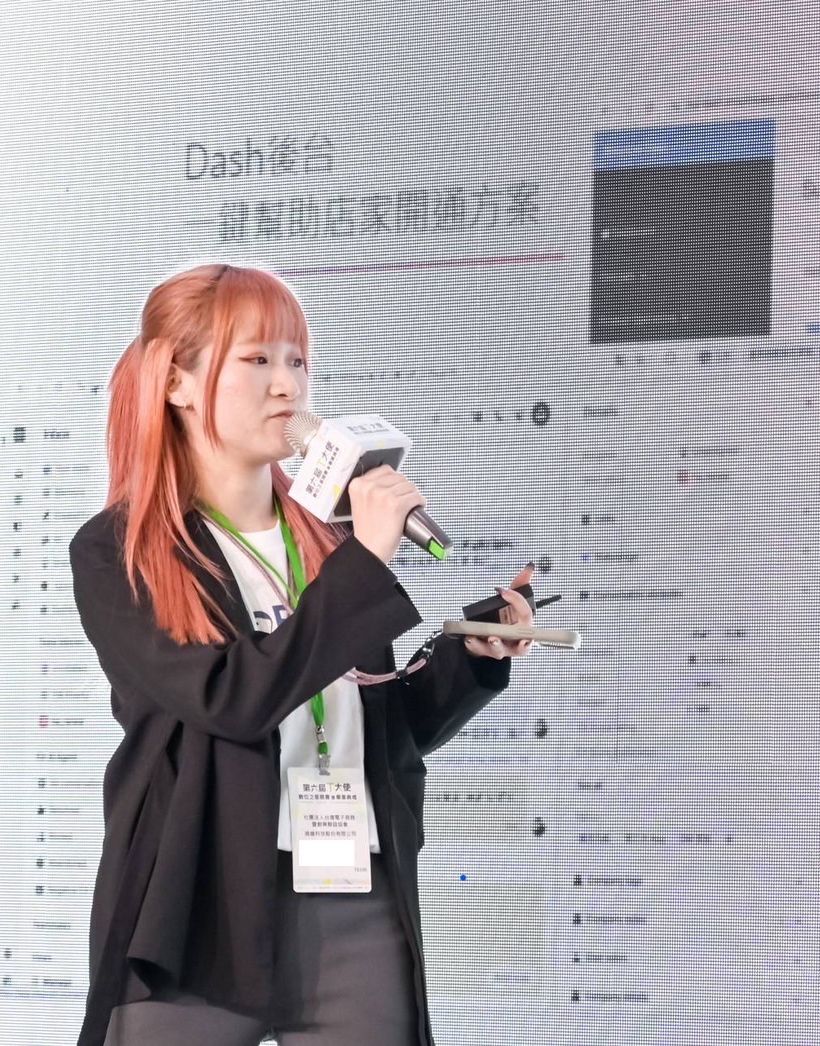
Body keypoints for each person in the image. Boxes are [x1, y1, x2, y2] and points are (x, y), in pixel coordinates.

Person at [69, 262, 533, 1046]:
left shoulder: (326, 541)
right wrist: (365, 565)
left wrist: (473, 659)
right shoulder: (122, 550)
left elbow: (378, 728)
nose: (286, 386)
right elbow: (231, 700)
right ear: (177, 382)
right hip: (199, 904)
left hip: (350, 896)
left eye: (297, 361)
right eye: (256, 359)